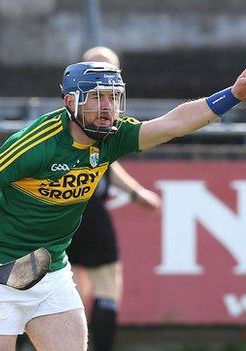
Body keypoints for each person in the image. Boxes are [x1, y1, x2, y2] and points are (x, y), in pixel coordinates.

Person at [0, 51, 246, 351]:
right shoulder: (39, 143)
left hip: (52, 275)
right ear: (71, 102)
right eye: (96, 97)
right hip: (1, 276)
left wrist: (234, 95)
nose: (108, 108)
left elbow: (172, 124)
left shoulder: (113, 135)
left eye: (113, 97)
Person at [63, 46, 161, 351]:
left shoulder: (71, 116)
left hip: (61, 209)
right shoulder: (105, 117)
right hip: (87, 208)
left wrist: (133, 192)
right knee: (106, 285)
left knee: (71, 289)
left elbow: (106, 160)